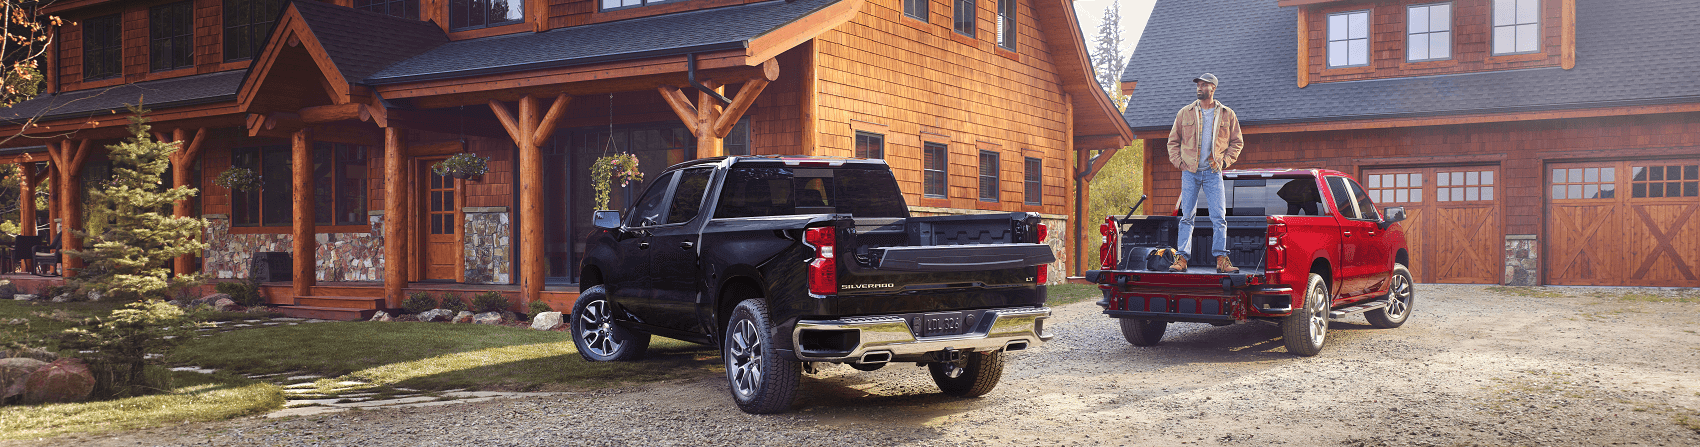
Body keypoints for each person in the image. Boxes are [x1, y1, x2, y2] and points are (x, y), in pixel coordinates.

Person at [1166, 73, 1244, 273]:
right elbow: (1173, 141)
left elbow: (1237, 142)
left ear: (1213, 88)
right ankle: (1181, 259)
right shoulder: (1185, 113)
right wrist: (1179, 162)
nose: (1199, 88)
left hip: (1213, 172)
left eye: (1203, 85)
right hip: (1190, 172)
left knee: (1219, 217)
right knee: (1187, 217)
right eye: (1198, 85)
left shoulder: (1227, 114)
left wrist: (1225, 161)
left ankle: (1221, 260)